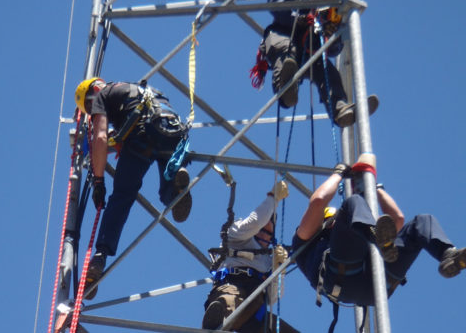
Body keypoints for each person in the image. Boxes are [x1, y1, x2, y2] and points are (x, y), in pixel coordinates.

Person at [292, 154, 466, 315]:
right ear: (324, 224)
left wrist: (372, 186)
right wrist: (338, 174)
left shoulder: (356, 236)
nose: (336, 224)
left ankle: (448, 255)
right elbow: (319, 200)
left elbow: (397, 219)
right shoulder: (305, 241)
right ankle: (374, 235)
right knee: (354, 202)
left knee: (422, 222)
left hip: (374, 282)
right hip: (341, 279)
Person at [74, 77, 192, 299]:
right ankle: (176, 186)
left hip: (141, 135)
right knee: (167, 191)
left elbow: (100, 137)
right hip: (172, 130)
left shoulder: (101, 95)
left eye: (90, 109)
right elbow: (115, 136)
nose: (93, 111)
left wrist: (98, 181)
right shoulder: (144, 90)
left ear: (91, 94)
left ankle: (100, 256)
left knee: (122, 196)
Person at [258, 0, 378, 128]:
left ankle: (340, 110)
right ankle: (286, 89)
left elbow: (336, 49)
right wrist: (297, 19)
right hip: (282, 34)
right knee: (286, 50)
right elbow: (275, 0)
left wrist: (331, 36)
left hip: (309, 51)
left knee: (330, 73)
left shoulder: (338, 11)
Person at [202, 181, 299, 333]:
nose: (263, 235)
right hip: (231, 289)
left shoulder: (268, 259)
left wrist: (279, 270)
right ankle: (217, 324)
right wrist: (273, 198)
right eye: (261, 230)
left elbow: (272, 298)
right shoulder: (236, 235)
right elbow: (255, 221)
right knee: (228, 302)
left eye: (268, 234)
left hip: (254, 311)